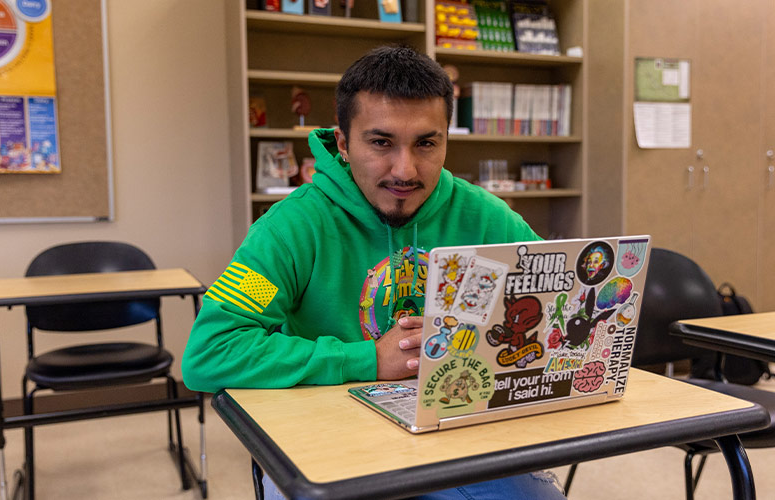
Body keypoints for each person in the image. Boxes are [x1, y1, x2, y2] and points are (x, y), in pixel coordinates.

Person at [182, 45, 565, 500]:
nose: (405, 170)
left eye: (426, 143)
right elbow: (211, 350)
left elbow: (554, 305)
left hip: (457, 434)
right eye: (381, 142)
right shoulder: (282, 234)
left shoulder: (489, 218)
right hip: (326, 440)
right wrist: (366, 360)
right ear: (343, 143)